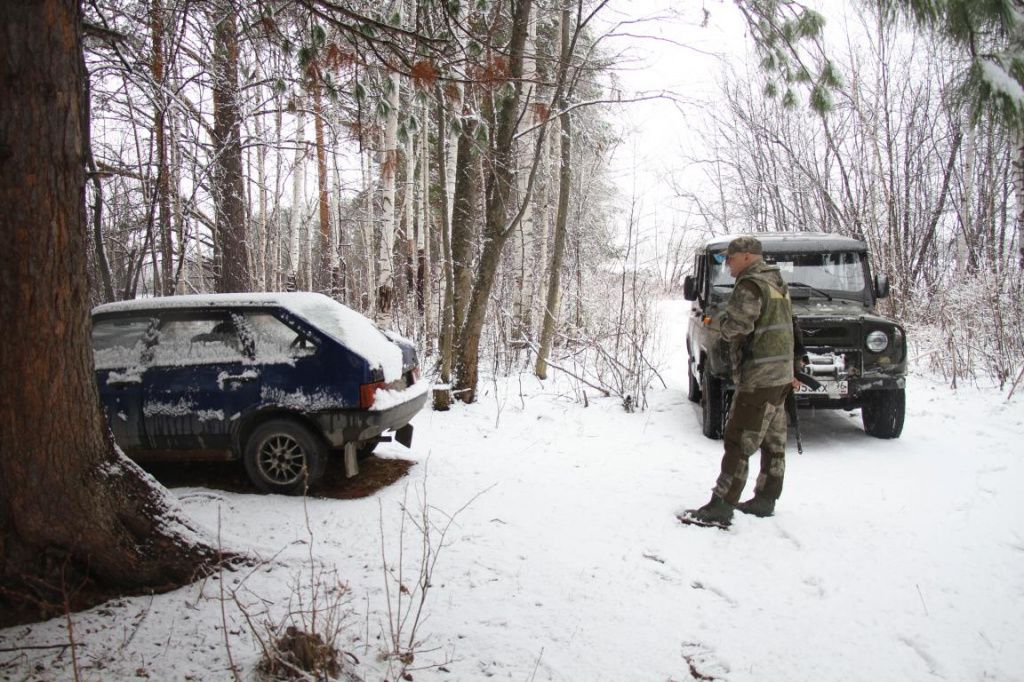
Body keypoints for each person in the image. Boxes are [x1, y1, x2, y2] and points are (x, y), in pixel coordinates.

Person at [682, 236, 802, 527]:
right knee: (773, 441)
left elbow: (738, 326)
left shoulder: (750, 285)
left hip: (759, 378)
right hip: (780, 376)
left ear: (748, 256)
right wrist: (794, 368)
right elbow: (789, 327)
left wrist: (718, 322)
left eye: (730, 258)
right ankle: (765, 499)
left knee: (739, 440)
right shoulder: (776, 283)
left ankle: (722, 505)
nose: (728, 264)